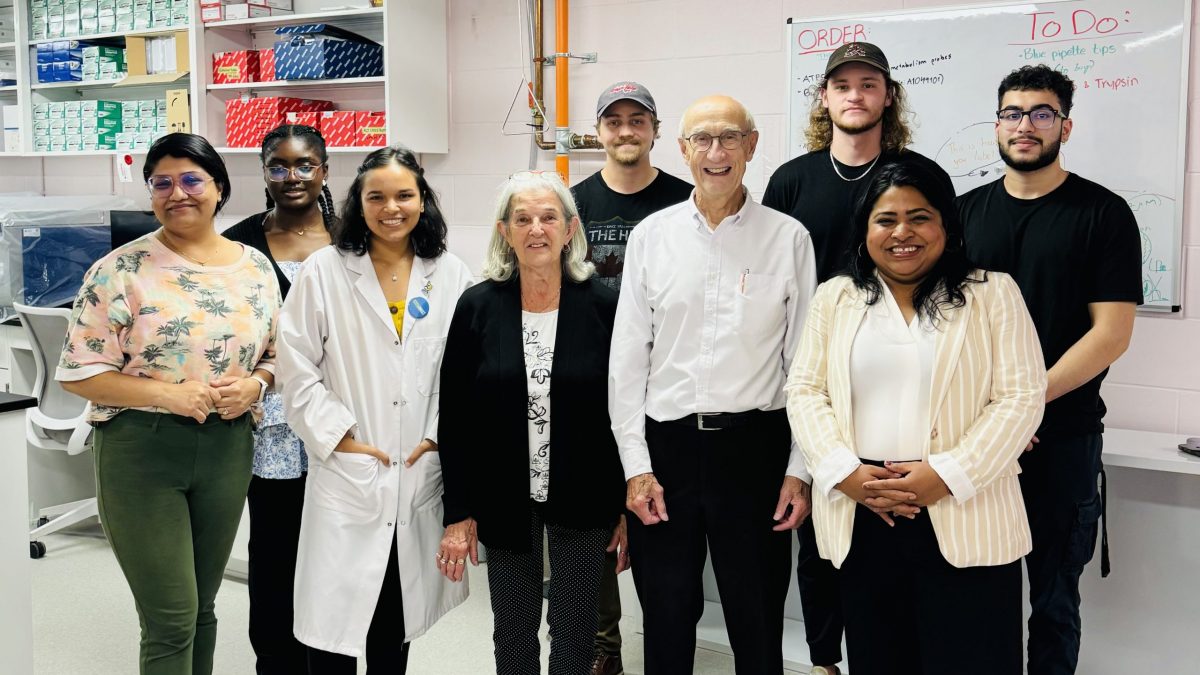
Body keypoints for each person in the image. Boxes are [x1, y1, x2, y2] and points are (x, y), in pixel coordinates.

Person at [785, 159, 1046, 674]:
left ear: (946, 226)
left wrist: (946, 476)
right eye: (885, 219)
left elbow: (1021, 398)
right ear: (865, 231)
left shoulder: (992, 294)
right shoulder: (836, 297)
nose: (902, 232)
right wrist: (845, 473)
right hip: (866, 510)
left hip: (966, 516)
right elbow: (805, 390)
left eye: (919, 217)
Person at [761, 41, 953, 675]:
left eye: (868, 83)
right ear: (823, 97)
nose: (855, 94)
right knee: (820, 543)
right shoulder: (792, 180)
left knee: (892, 546)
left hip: (901, 384)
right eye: (841, 84)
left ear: (888, 96)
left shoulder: (919, 175)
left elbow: (950, 280)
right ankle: (823, 662)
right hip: (811, 380)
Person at [56, 132, 280, 674]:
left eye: (191, 180)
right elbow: (79, 373)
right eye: (162, 183)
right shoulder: (119, 271)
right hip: (142, 453)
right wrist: (168, 394)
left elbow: (276, 352)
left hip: (228, 449)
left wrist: (257, 385)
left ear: (219, 188)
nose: (177, 193)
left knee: (203, 611)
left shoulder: (254, 267)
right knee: (171, 619)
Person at [609, 95, 818, 674]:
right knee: (667, 618)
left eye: (730, 138)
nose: (716, 152)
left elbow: (804, 366)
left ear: (752, 147)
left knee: (756, 619)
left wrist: (799, 470)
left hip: (755, 450)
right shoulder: (652, 237)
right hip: (666, 452)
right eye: (702, 139)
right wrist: (636, 468)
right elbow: (628, 361)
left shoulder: (788, 239)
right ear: (681, 150)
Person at [957, 64, 1141, 675]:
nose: (1024, 126)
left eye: (1040, 114)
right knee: (979, 595)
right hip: (976, 441)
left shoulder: (1103, 214)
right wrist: (997, 417)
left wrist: (1026, 405)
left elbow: (1110, 334)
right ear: (997, 125)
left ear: (1065, 125)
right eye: (1012, 113)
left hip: (1062, 437)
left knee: (1053, 601)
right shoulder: (961, 215)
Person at [274, 145, 473, 673]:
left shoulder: (451, 274)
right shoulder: (324, 271)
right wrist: (339, 438)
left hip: (416, 467)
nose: (392, 208)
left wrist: (436, 437)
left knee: (394, 620)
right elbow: (295, 368)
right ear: (357, 203)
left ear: (422, 200)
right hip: (347, 469)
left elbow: (464, 376)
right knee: (331, 630)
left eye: (405, 195)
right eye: (376, 196)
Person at [438, 171, 626, 675]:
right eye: (523, 219)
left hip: (586, 495)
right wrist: (458, 511)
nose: (536, 229)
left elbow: (625, 412)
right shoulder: (478, 306)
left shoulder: (605, 307)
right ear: (505, 230)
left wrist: (625, 502)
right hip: (503, 496)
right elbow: (453, 417)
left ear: (570, 230)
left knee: (575, 630)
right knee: (514, 630)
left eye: (549, 217)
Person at [571, 80, 693, 675]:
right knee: (597, 512)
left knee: (660, 518)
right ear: (599, 132)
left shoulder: (685, 200)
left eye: (636, 120)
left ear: (655, 129)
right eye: (613, 121)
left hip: (665, 384)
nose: (625, 131)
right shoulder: (572, 205)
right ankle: (603, 648)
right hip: (592, 380)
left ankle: (667, 642)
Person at [221, 124, 336, 675]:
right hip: (272, 426)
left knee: (336, 550)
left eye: (305, 164)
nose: (292, 177)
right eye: (278, 166)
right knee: (274, 551)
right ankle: (277, 660)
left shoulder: (351, 237)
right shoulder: (240, 244)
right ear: (262, 171)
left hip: (341, 422)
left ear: (325, 170)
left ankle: (331, 655)